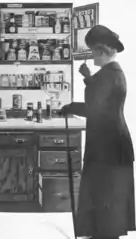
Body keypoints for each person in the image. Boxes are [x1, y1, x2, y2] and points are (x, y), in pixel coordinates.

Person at [61, 25, 135, 239]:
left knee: (106, 193)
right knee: (105, 192)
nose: (91, 55)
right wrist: (75, 101)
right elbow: (99, 102)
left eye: (93, 50)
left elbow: (94, 108)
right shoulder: (112, 73)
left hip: (108, 146)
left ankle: (104, 235)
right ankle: (102, 233)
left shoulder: (108, 74)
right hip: (111, 142)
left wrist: (73, 105)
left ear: (102, 51)